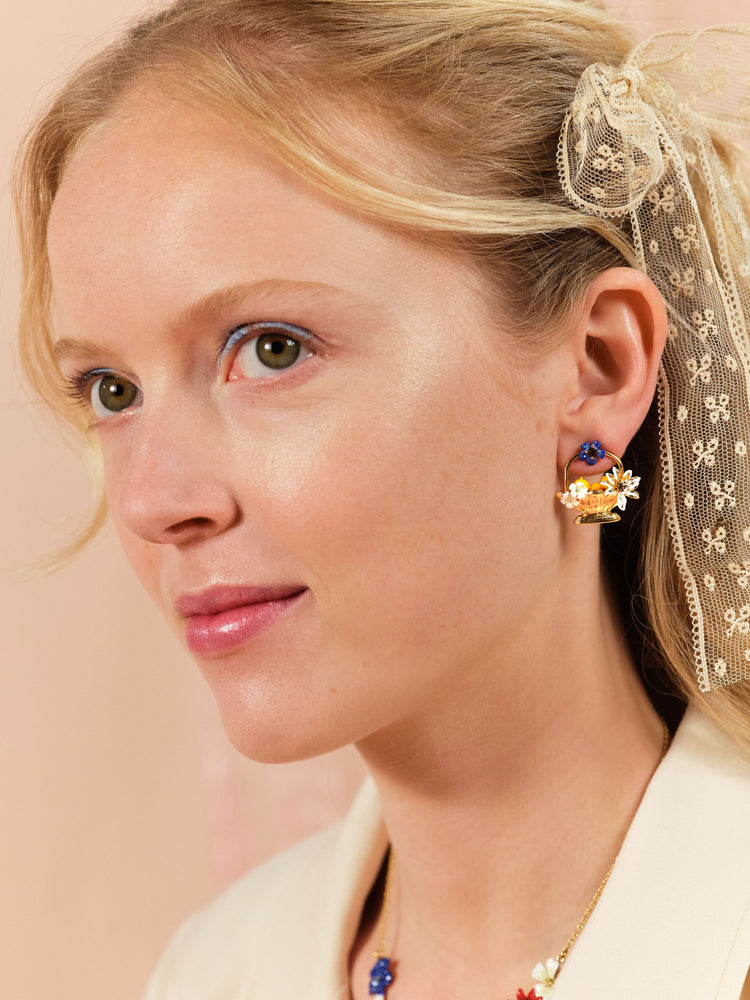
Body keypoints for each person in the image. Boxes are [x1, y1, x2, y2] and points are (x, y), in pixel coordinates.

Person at [13, 1, 750, 997]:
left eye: (271, 348)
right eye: (112, 390)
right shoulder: (214, 971)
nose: (152, 500)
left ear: (598, 366)